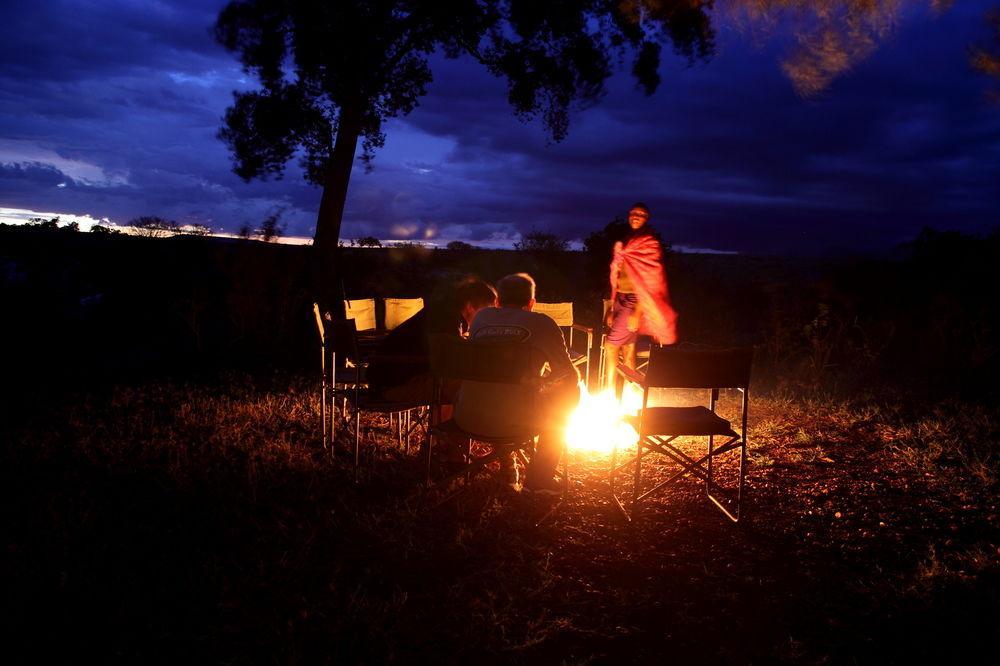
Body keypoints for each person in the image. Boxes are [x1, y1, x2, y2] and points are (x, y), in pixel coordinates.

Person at [454, 273, 580, 494]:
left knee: (500, 393)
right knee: (569, 394)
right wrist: (543, 383)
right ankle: (540, 480)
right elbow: (568, 375)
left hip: (467, 417)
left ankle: (506, 459)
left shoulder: (481, 318)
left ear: (498, 301)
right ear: (531, 303)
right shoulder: (543, 323)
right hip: (515, 423)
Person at [367, 276, 497, 405]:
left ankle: (448, 424)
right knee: (470, 387)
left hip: (391, 379)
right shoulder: (445, 318)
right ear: (470, 306)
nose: (488, 317)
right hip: (393, 386)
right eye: (486, 311)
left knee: (461, 384)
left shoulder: (445, 311)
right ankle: (455, 425)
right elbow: (454, 358)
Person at [603, 202, 678, 390]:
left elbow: (650, 283)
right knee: (628, 350)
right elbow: (617, 277)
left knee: (610, 346)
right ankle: (633, 396)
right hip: (620, 298)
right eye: (633, 213)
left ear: (647, 218)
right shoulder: (628, 239)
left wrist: (637, 312)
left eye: (641, 214)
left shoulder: (649, 242)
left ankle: (609, 394)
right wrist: (612, 308)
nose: (636, 216)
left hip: (634, 301)